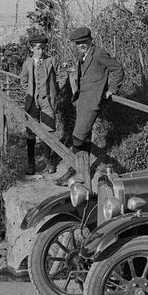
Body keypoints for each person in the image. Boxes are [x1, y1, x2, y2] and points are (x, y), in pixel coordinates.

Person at [56, 26, 124, 187]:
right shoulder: (84, 56)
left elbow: (118, 69)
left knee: (78, 136)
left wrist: (111, 89)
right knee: (83, 137)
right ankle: (82, 173)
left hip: (92, 101)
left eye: (84, 42)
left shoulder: (99, 53)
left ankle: (73, 170)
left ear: (90, 40)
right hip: (82, 100)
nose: (81, 45)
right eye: (78, 43)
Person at [20, 32, 60, 179]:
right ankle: (31, 162)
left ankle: (48, 161)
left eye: (43, 48)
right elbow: (23, 80)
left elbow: (61, 76)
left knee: (48, 130)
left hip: (47, 100)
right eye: (37, 48)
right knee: (31, 131)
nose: (40, 51)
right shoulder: (27, 63)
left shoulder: (51, 61)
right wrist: (30, 92)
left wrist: (55, 91)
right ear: (32, 49)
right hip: (32, 102)